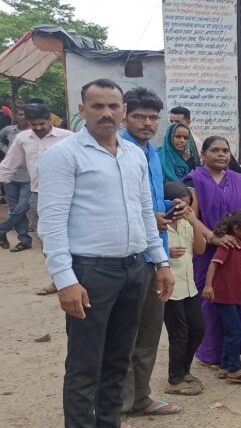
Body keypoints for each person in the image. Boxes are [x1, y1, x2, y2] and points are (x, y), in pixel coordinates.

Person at [37, 78, 173, 427]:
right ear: (82, 111)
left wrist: (160, 261)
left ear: (123, 112)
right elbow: (51, 223)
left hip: (133, 271)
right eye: (97, 106)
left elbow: (145, 212)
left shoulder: (134, 155)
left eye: (114, 106)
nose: (106, 113)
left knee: (117, 361)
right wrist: (65, 280)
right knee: (85, 366)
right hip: (90, 273)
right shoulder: (62, 156)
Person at [120, 86, 184, 422]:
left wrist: (168, 208)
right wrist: (150, 216)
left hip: (155, 252)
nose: (147, 123)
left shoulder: (153, 153)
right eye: (139, 116)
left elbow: (149, 202)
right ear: (125, 115)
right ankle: (117, 405)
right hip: (128, 256)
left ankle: (140, 397)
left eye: (152, 118)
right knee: (123, 336)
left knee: (149, 332)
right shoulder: (119, 150)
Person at [183, 136, 241, 371]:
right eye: (214, 150)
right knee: (212, 301)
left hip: (238, 249)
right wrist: (213, 237)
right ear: (203, 155)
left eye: (225, 150)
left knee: (237, 297)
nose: (221, 154)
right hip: (208, 251)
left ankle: (235, 352)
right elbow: (190, 215)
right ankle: (209, 353)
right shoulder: (194, 179)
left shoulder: (238, 178)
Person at [0, 103, 72, 253]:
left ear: (50, 120)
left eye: (42, 124)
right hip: (38, 192)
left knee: (68, 227)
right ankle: (52, 256)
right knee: (43, 230)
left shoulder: (68, 137)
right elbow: (9, 163)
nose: (38, 128)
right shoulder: (22, 138)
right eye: (34, 125)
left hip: (66, 192)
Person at [161, 182, 209, 396]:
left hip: (188, 286)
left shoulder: (188, 223)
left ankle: (184, 370)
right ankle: (174, 379)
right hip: (168, 288)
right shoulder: (158, 227)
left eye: (188, 206)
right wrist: (166, 251)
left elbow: (199, 249)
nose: (184, 210)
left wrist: (194, 222)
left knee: (197, 329)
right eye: (180, 206)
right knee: (178, 333)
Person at [202, 210, 241, 385]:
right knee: (235, 332)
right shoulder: (229, 245)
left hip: (233, 296)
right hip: (224, 295)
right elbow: (213, 264)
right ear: (236, 228)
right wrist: (208, 285)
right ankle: (234, 370)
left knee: (231, 332)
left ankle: (225, 366)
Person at [0, 104, 30, 251]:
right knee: (14, 209)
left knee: (22, 208)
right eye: (20, 114)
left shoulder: (34, 133)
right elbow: (0, 140)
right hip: (11, 177)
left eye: (25, 115)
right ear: (15, 116)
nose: (22, 118)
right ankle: (24, 239)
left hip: (29, 177)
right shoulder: (9, 131)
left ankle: (1, 230)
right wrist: (7, 150)